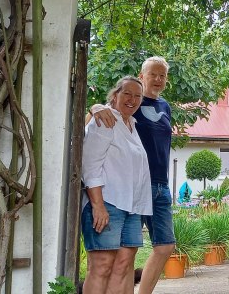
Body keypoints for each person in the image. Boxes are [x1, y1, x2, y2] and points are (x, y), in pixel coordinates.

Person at [91, 56, 175, 293]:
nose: (158, 79)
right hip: (136, 184)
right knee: (128, 249)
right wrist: (96, 107)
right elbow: (101, 116)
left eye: (162, 76)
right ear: (142, 75)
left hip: (161, 185)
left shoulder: (165, 106)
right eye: (153, 74)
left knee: (165, 245)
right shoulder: (132, 102)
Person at [81, 76, 152, 294]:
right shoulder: (105, 119)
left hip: (132, 207)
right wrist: (98, 206)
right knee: (101, 266)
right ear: (115, 95)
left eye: (137, 96)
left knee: (123, 265)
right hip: (107, 203)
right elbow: (90, 166)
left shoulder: (132, 124)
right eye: (127, 93)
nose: (132, 99)